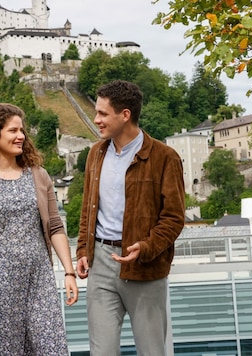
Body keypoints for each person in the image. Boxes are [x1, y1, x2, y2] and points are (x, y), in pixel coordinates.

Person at [75, 80, 185, 355]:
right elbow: (88, 208)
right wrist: (82, 250)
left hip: (145, 267)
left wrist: (145, 248)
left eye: (102, 113)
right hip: (100, 263)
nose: (96, 119)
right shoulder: (95, 154)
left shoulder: (164, 157)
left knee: (151, 351)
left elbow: (174, 218)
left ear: (125, 115)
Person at [0, 103, 78, 355]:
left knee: (52, 348)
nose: (21, 136)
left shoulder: (39, 175)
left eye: (22, 130)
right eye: (13, 130)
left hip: (39, 280)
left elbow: (55, 226)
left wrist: (69, 272)